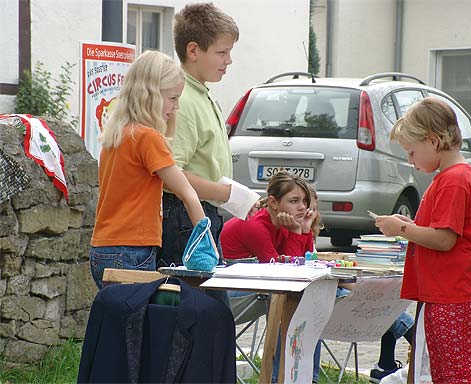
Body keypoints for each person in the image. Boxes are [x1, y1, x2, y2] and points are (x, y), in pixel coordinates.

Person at [220, 172, 414, 383]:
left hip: (267, 287)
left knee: (317, 299)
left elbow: (303, 262)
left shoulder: (285, 221)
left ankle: (305, 376)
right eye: (294, 201)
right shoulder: (257, 226)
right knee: (308, 302)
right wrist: (297, 231)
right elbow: (289, 274)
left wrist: (302, 230)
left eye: (305, 201)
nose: (303, 207)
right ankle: (284, 377)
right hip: (236, 292)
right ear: (274, 203)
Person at [375, 97, 471, 383]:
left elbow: (444, 240)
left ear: (433, 140)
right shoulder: (451, 176)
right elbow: (440, 231)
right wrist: (410, 225)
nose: (411, 162)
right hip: (445, 290)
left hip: (452, 291)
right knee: (442, 372)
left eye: (412, 152)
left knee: (453, 374)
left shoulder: (454, 179)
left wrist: (401, 230)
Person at [89, 50, 205, 290]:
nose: (176, 107)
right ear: (151, 95)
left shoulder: (117, 134)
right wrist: (206, 245)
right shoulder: (147, 137)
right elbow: (188, 193)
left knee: (118, 324)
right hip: (132, 249)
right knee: (136, 327)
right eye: (173, 98)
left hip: (103, 247)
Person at [157, 3, 239, 268]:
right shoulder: (184, 99)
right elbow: (171, 173)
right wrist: (225, 193)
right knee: (195, 304)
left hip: (199, 214)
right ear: (193, 50)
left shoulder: (199, 91)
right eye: (222, 52)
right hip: (185, 218)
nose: (228, 60)